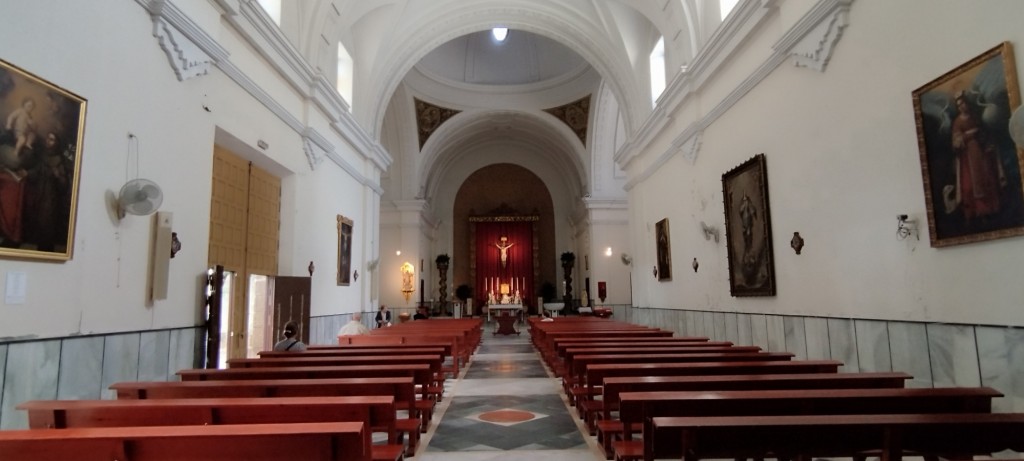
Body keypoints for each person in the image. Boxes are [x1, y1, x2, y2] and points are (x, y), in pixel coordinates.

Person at [946, 90, 1006, 224]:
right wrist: (969, 135)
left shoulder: (975, 117)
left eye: (963, 103)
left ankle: (990, 210)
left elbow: (983, 133)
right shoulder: (957, 122)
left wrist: (985, 142)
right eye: (959, 104)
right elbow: (956, 142)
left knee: (987, 180)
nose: (962, 106)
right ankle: (975, 212)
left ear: (967, 104)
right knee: (970, 186)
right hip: (968, 158)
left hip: (981, 154)